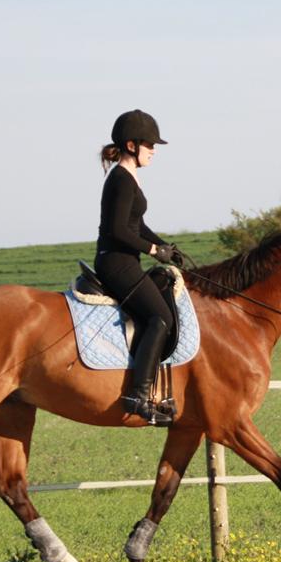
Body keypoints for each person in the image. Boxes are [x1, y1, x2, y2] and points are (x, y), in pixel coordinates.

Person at [96, 109, 180, 426]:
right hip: (116, 263)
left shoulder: (129, 177)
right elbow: (118, 230)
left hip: (125, 260)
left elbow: (138, 225)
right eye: (150, 145)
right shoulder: (120, 178)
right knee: (160, 318)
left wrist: (166, 247)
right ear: (132, 145)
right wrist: (153, 250)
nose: (153, 151)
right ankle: (138, 396)